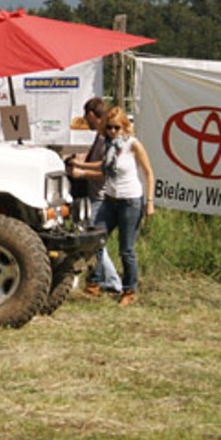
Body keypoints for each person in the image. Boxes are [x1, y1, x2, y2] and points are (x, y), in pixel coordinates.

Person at [95, 106, 155, 306]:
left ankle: (129, 289)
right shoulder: (108, 145)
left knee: (126, 249)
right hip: (110, 199)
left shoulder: (133, 145)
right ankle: (96, 281)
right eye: (109, 128)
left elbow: (148, 173)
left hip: (130, 201)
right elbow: (103, 169)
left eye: (117, 128)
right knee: (95, 239)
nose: (113, 132)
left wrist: (150, 203)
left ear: (125, 127)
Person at [65, 97, 121, 296]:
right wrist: (80, 160)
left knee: (93, 241)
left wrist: (81, 173)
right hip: (96, 194)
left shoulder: (107, 136)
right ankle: (99, 280)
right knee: (94, 241)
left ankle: (113, 282)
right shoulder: (99, 136)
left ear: (91, 115)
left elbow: (107, 171)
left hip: (101, 196)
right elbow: (95, 160)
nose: (85, 121)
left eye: (85, 117)